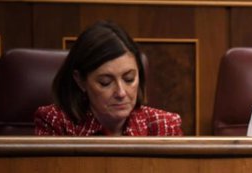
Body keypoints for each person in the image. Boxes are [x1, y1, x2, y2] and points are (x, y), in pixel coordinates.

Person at [35, 20, 183, 136]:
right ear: (80, 81)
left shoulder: (164, 126)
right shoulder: (56, 123)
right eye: (105, 82)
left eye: (129, 79)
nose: (121, 93)